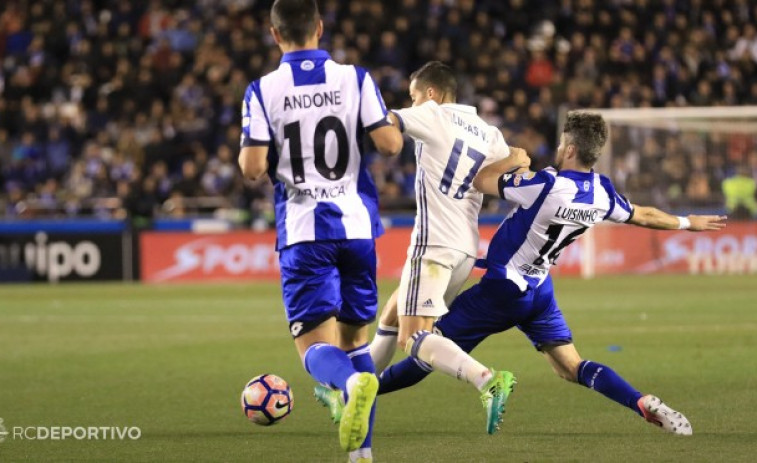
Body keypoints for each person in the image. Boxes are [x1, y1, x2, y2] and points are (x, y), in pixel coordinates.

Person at [375, 111, 726, 435]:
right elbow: (643, 215)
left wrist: (512, 159)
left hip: (502, 291)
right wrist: (686, 222)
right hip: (539, 290)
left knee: (423, 344)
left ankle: (360, 388)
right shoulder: (602, 192)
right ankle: (639, 401)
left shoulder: (545, 184)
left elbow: (481, 181)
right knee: (570, 367)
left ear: (570, 148)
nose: (557, 148)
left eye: (561, 143)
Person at [317, 61, 530, 434]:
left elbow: (387, 122)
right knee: (392, 313)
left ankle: (487, 380)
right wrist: (517, 157)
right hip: (465, 248)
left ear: (431, 93)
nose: (411, 101)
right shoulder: (489, 132)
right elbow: (515, 165)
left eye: (413, 95)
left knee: (412, 337)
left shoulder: (431, 114)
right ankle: (349, 391)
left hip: (433, 245)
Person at [237, 1, 403, 461]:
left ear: (274, 34)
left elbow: (251, 168)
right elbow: (389, 144)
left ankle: (351, 383)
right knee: (354, 342)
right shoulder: (356, 79)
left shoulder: (263, 89)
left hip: (305, 230)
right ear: (319, 28)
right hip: (356, 227)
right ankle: (361, 454)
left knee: (314, 349)